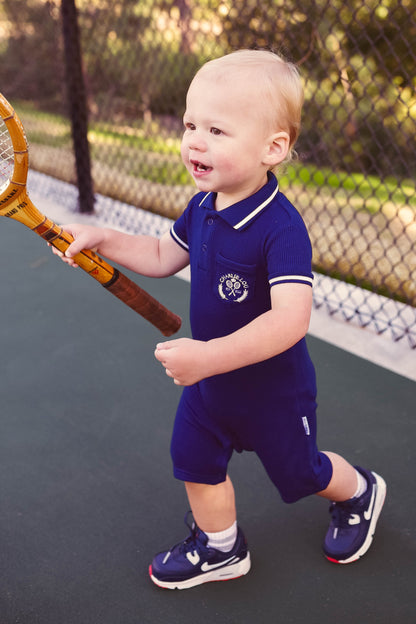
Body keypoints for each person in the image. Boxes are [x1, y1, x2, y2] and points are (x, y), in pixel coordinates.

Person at [51, 49, 386, 590]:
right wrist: (105, 239)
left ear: (272, 148)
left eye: (217, 130)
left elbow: (289, 322)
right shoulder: (203, 204)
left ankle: (360, 492)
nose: (194, 141)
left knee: (303, 473)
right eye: (190, 124)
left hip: (272, 391)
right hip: (212, 387)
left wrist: (206, 356)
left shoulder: (281, 229)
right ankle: (220, 547)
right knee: (194, 457)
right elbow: (163, 255)